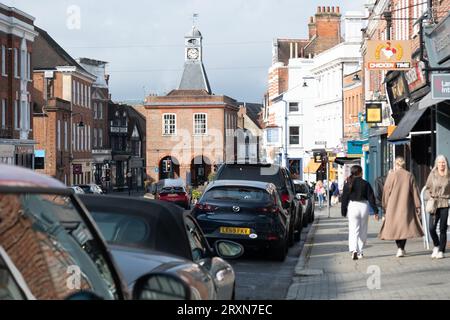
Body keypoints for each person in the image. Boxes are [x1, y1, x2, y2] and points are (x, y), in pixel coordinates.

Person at [379, 157, 423, 258]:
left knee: (396, 227)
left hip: (393, 205)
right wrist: (417, 205)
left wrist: (385, 204)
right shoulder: (409, 175)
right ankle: (401, 248)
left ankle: (399, 248)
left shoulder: (391, 175)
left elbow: (386, 191)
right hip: (406, 205)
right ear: (404, 164)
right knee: (404, 227)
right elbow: (414, 190)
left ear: (396, 164)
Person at [341, 165, 378, 260]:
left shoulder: (348, 183)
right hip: (364, 206)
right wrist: (375, 211)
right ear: (361, 172)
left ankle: (354, 250)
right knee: (363, 230)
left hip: (353, 206)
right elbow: (371, 198)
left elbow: (344, 198)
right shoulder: (366, 183)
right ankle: (360, 252)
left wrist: (343, 211)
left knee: (353, 230)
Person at [424, 155, 450, 259]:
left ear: (446, 163)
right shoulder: (433, 174)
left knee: (443, 228)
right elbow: (428, 187)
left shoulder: (448, 174)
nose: (442, 164)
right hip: (434, 203)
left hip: (444, 203)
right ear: (437, 163)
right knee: (431, 228)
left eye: (443, 162)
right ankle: (436, 245)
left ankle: (441, 251)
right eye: (440, 162)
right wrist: (430, 196)